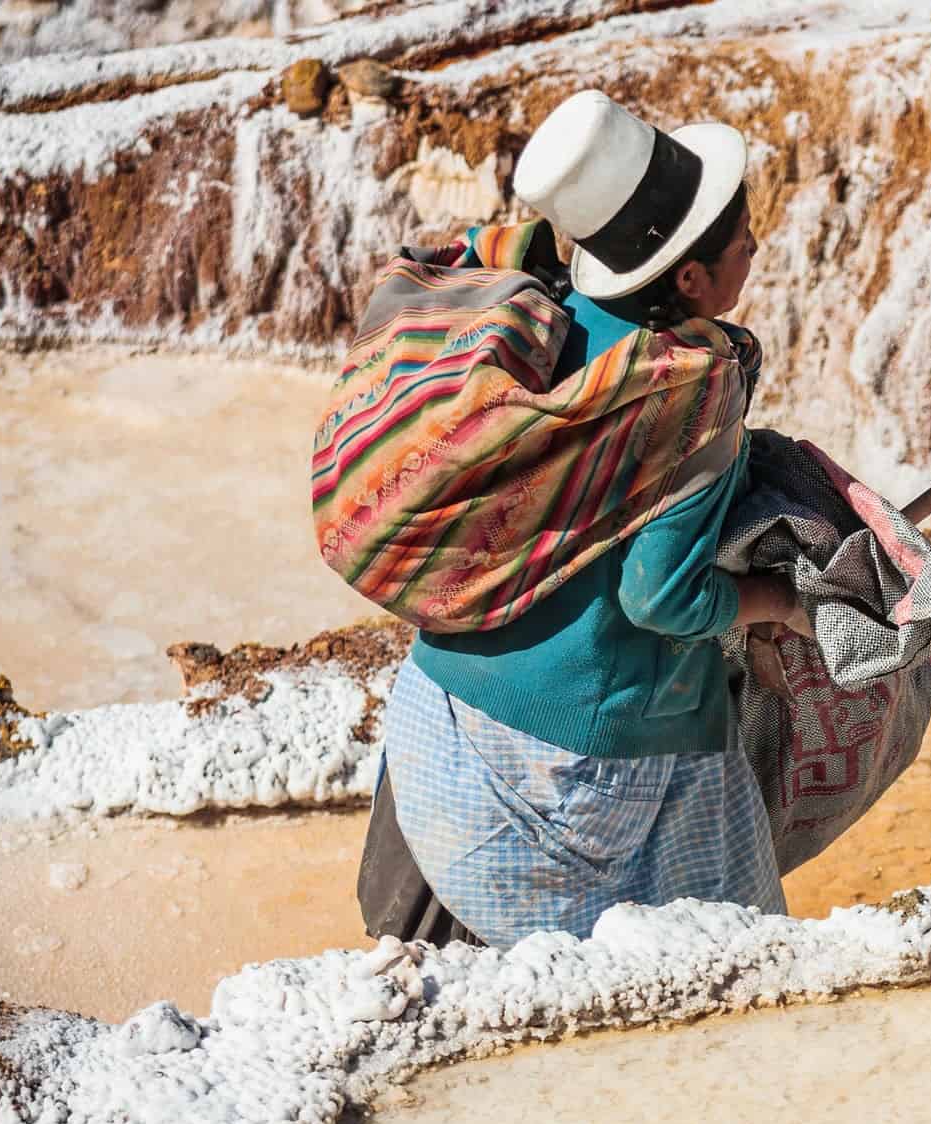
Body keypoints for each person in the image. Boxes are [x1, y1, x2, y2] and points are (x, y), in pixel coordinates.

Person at [343, 91, 808, 949]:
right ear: (690, 279)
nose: (755, 249)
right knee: (728, 951)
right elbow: (659, 599)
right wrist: (776, 602)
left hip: (443, 713)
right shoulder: (684, 391)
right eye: (743, 241)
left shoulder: (534, 316)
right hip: (576, 759)